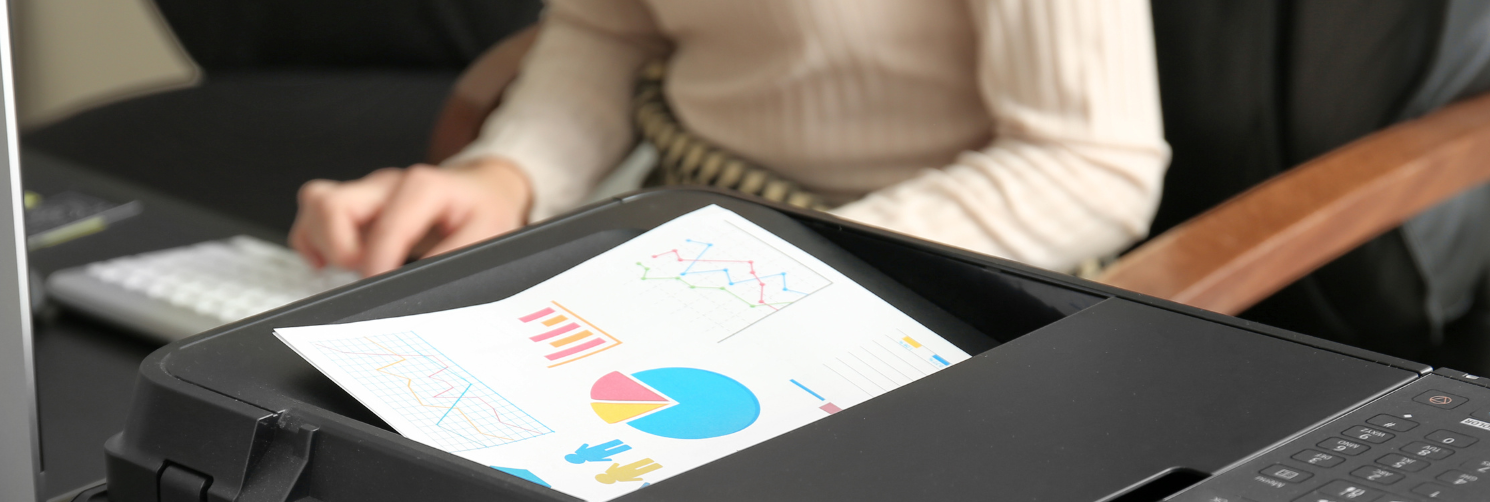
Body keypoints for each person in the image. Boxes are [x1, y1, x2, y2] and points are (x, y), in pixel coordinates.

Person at [289, 0, 1168, 278]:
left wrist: (792, 269)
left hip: (941, 268)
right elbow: (610, 28)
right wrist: (505, 173)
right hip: (691, 236)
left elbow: (1091, 165)